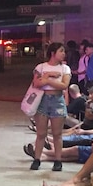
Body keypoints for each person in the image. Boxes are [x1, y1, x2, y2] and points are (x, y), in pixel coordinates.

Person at [27, 42, 71, 171]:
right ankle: (37, 159)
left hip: (57, 100)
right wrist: (48, 77)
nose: (64, 54)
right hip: (42, 100)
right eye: (61, 51)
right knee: (41, 133)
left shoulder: (65, 69)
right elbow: (36, 83)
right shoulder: (40, 67)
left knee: (57, 134)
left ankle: (58, 161)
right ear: (53, 53)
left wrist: (46, 80)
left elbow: (64, 85)